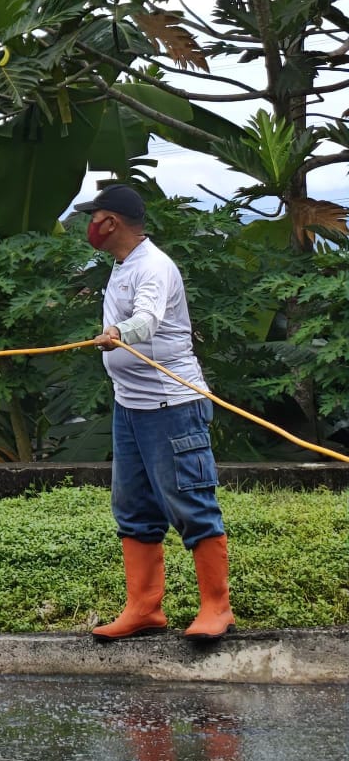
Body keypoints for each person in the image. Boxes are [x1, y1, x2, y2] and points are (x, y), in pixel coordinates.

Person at [77, 183, 234, 642]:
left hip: (172, 405)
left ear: (110, 223)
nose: (89, 225)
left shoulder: (154, 267)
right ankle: (144, 609)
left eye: (94, 217)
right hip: (130, 406)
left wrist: (118, 333)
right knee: (134, 509)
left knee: (191, 503)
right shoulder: (122, 265)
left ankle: (216, 609)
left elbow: (148, 321)